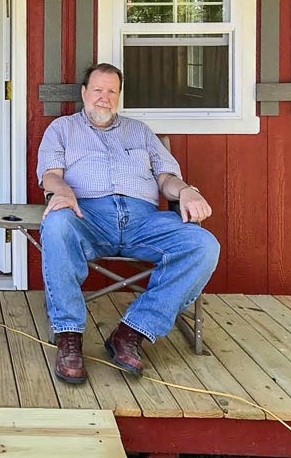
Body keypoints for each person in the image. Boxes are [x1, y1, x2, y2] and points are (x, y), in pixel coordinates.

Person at [36, 63, 220, 384]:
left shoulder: (141, 132)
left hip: (143, 223)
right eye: (97, 90)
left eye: (111, 92)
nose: (103, 98)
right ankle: (69, 337)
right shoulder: (62, 129)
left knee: (203, 245)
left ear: (118, 96)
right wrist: (62, 192)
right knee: (55, 225)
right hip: (88, 218)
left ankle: (132, 332)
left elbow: (166, 178)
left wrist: (187, 191)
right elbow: (51, 174)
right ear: (84, 93)